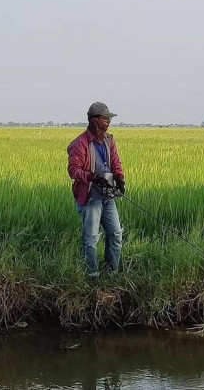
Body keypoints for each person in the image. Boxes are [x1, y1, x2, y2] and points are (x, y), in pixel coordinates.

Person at [67, 102, 126, 278]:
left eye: (109, 118)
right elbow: (73, 170)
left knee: (115, 234)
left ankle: (111, 273)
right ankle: (92, 274)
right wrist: (93, 177)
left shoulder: (109, 140)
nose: (108, 121)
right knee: (92, 238)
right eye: (104, 118)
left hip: (108, 196)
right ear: (93, 120)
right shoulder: (79, 144)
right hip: (90, 197)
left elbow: (115, 162)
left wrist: (120, 179)